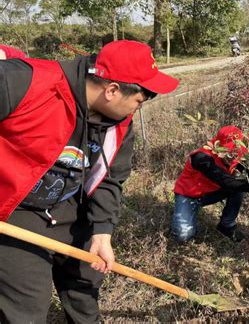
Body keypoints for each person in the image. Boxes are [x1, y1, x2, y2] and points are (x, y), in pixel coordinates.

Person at [0, 40, 179, 323]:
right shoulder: (24, 82)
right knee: (27, 308)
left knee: (85, 288)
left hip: (70, 208)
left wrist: (102, 232)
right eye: (139, 100)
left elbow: (110, 179)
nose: (139, 108)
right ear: (112, 90)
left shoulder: (119, 123)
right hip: (15, 215)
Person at [172, 125, 249, 242]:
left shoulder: (235, 155)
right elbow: (225, 180)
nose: (233, 155)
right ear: (219, 146)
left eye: (236, 151)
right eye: (229, 151)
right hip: (189, 197)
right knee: (183, 235)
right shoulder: (202, 157)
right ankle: (184, 211)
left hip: (211, 194)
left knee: (240, 186)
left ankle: (226, 225)